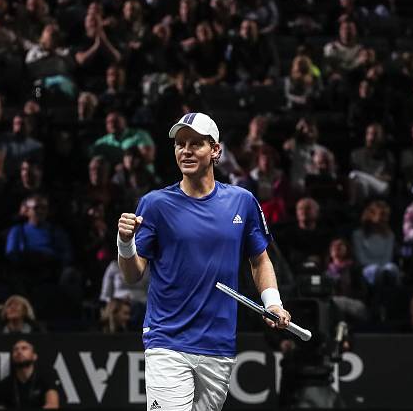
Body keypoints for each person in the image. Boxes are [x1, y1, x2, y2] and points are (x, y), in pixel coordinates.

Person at [117, 112, 292, 411]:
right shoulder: (155, 204)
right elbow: (133, 275)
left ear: (215, 150)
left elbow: (259, 259)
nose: (185, 150)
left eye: (196, 144)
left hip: (218, 345)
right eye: (180, 144)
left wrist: (273, 302)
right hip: (167, 341)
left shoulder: (243, 201)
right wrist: (124, 243)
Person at [0, 339, 60, 410]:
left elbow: (52, 405)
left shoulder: (46, 379)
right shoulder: (4, 385)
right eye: (15, 349)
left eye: (24, 348)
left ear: (34, 356)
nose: (19, 352)